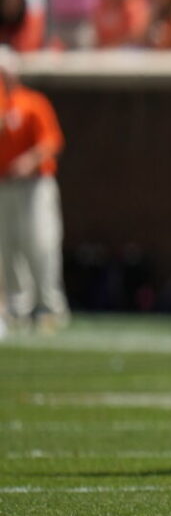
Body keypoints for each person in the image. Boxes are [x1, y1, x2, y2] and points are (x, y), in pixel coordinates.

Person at [0, 47, 68, 333]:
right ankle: (18, 308)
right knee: (8, 247)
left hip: (35, 185)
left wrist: (27, 162)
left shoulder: (33, 102)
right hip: (5, 185)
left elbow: (52, 141)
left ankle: (49, 307)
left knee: (41, 243)